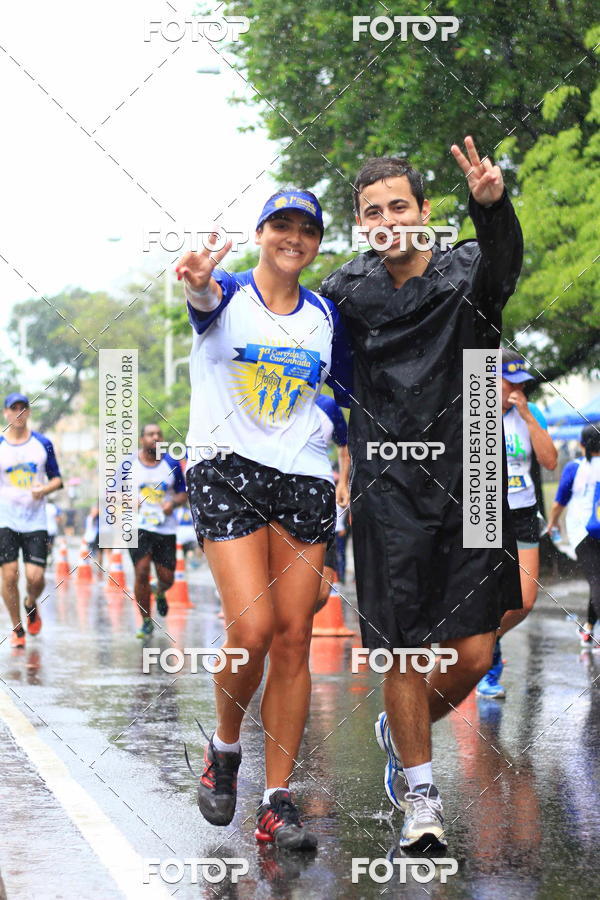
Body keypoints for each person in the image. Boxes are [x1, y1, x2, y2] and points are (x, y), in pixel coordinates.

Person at [320, 138, 523, 850]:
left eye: (398, 206)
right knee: (403, 652)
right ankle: (423, 800)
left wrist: (492, 208)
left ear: (425, 210)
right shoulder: (346, 291)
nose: (386, 220)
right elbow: (320, 366)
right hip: (388, 486)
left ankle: (400, 733)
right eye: (371, 212)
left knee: (471, 651)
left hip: (469, 473)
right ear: (362, 224)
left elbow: (503, 265)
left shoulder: (468, 269)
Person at [176, 188, 351, 850]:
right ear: (260, 233)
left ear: (315, 242)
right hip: (227, 470)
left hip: (305, 477)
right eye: (282, 224)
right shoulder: (226, 294)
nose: (294, 236)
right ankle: (224, 749)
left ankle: (277, 802)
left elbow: (351, 399)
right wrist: (197, 281)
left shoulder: (327, 315)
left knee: (293, 637)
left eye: (307, 228)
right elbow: (202, 299)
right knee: (251, 626)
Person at [476, 350, 557, 698]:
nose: (516, 388)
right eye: (509, 381)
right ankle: (484, 669)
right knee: (485, 597)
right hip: (484, 510)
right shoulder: (472, 411)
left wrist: (526, 415)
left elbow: (550, 461)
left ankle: (485, 643)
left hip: (522, 511)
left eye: (521, 382)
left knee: (524, 601)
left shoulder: (529, 412)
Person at [0, 393, 63, 648]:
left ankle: (30, 603)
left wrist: (44, 490)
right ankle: (17, 628)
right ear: (5, 413)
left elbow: (57, 479)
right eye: (13, 409)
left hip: (36, 520)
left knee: (36, 578)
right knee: (9, 575)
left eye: (23, 409)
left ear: (28, 412)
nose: (18, 413)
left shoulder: (42, 444)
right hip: (5, 519)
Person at [130, 425, 187, 639]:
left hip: (165, 528)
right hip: (139, 526)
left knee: (168, 577)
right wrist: (128, 500)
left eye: (159, 435)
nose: (155, 437)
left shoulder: (171, 463)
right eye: (150, 435)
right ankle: (146, 621)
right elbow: (112, 492)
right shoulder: (129, 464)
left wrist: (172, 503)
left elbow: (183, 494)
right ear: (141, 439)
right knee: (141, 571)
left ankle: (160, 590)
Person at [546, 424, 600, 649]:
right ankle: (588, 628)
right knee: (597, 581)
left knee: (596, 581)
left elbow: (560, 502)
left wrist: (552, 522)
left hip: (581, 532)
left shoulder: (574, 468)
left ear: (581, 445)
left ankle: (589, 630)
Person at [314, 394, 350, 611]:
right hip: (275, 501)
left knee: (321, 592)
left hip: (320, 503)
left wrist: (343, 483)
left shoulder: (328, 405)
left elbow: (344, 446)